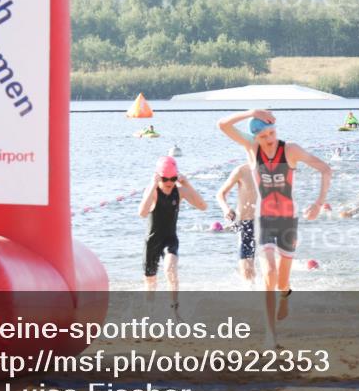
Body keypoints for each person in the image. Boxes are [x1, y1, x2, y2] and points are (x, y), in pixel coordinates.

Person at [218, 109, 332, 348]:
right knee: (268, 272)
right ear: (255, 138)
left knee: (282, 281)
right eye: (263, 136)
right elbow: (223, 125)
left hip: (288, 222)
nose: (269, 139)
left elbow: (325, 169)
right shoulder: (252, 150)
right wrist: (251, 112)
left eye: (272, 133)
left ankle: (285, 294)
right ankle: (271, 335)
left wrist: (318, 204)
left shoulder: (290, 150)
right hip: (265, 220)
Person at [137, 156, 207, 314]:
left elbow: (203, 206)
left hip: (170, 239)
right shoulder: (153, 192)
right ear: (158, 177)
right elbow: (142, 213)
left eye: (173, 179)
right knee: (150, 281)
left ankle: (174, 309)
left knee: (170, 269)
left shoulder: (179, 191)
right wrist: (152, 185)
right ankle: (149, 313)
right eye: (165, 179)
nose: (169, 183)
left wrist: (187, 184)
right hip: (152, 242)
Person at [216, 163, 259, 284]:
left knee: (270, 266)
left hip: (265, 222)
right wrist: (226, 209)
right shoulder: (241, 171)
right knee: (247, 269)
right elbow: (220, 194)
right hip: (245, 223)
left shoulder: (272, 171)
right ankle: (250, 291)